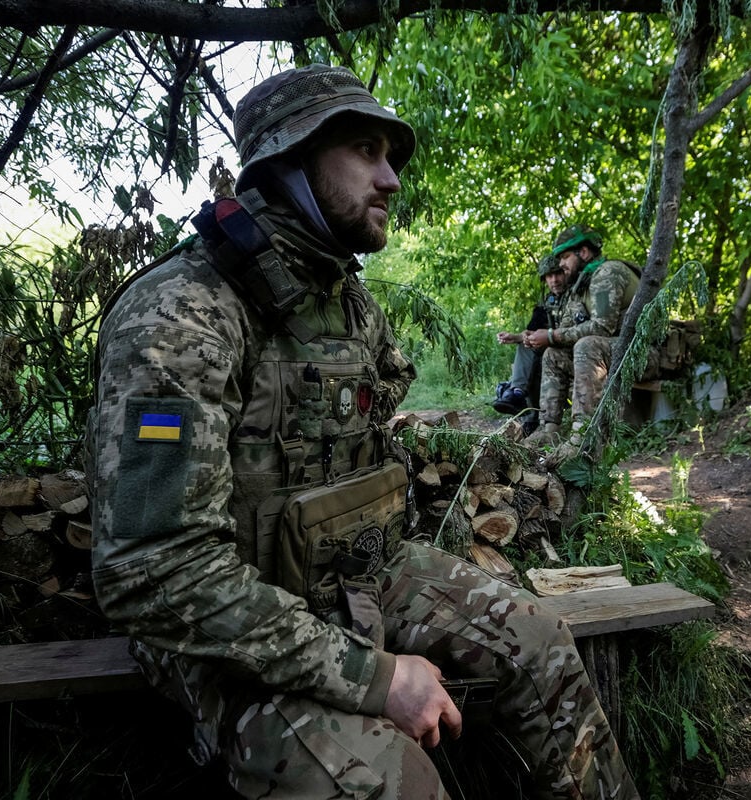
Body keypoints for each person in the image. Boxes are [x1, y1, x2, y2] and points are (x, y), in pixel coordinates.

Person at [88, 64, 638, 799]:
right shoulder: (183, 314)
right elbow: (155, 573)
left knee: (541, 645)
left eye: (390, 156)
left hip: (357, 578)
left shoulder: (346, 302)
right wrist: (375, 678)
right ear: (289, 159)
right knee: (390, 782)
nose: (392, 179)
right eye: (365, 151)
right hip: (229, 633)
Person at [522, 224, 639, 452]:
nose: (561, 265)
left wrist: (551, 335)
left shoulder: (608, 273)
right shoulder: (581, 283)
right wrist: (543, 338)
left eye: (565, 257)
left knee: (587, 345)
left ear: (583, 253)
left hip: (642, 352)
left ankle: (583, 433)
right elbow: (567, 327)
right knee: (553, 354)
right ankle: (549, 429)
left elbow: (602, 327)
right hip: (615, 351)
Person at [492, 254, 569, 423]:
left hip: (571, 349)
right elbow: (532, 332)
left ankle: (524, 402)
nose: (554, 280)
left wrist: (547, 337)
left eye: (558, 274)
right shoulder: (546, 303)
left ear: (566, 273)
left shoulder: (575, 297)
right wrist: (516, 337)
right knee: (527, 345)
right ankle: (518, 395)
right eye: (549, 276)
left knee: (542, 356)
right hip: (551, 348)